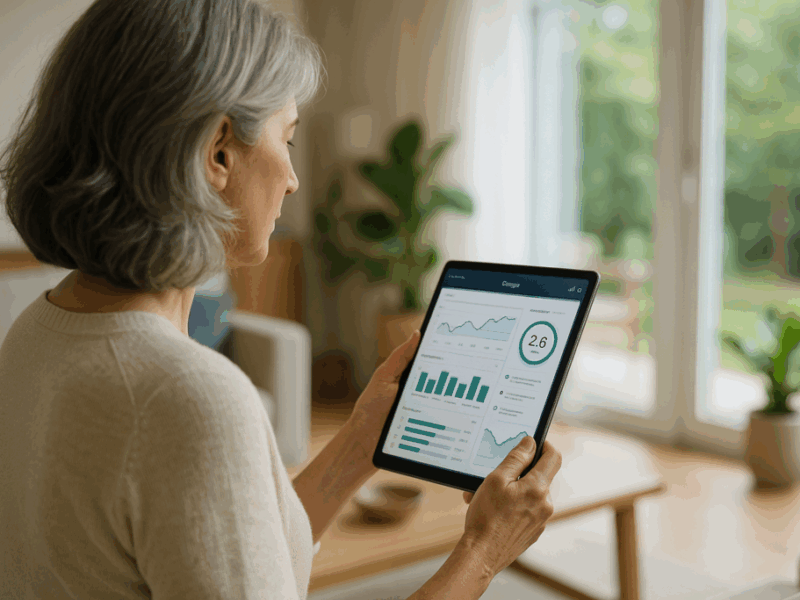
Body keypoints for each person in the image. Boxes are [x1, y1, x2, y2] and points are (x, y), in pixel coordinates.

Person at [0, 0, 563, 598]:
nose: (293, 178)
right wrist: (482, 552)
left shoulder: (36, 331)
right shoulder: (189, 399)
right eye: (288, 137)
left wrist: (358, 442)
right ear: (219, 151)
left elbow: (232, 549)